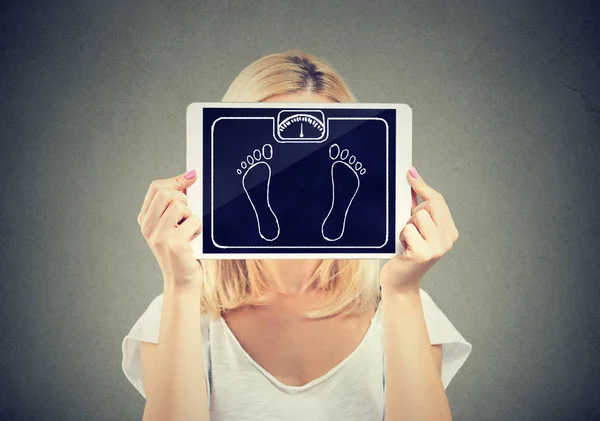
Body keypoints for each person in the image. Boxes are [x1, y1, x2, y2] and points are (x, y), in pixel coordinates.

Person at [121, 50, 472, 421]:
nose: (298, 182)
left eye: (313, 159)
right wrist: (179, 283)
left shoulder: (406, 308)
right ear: (221, 171)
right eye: (283, 165)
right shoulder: (176, 312)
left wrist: (402, 290)